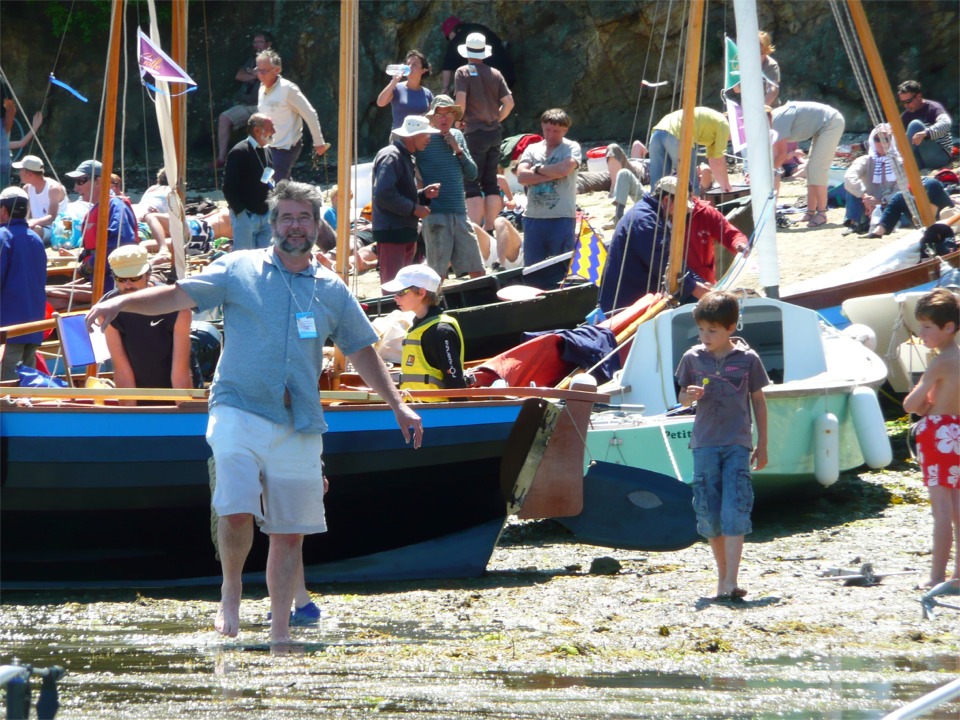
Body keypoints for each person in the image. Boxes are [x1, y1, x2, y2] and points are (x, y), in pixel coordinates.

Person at [85, 180, 424, 644]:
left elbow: (363, 349)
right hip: (237, 406)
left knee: (288, 533)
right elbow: (176, 295)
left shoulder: (331, 288)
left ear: (317, 223)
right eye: (286, 216)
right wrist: (122, 300)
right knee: (239, 507)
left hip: (299, 419)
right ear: (273, 223)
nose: (295, 226)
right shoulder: (237, 268)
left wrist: (398, 405)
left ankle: (280, 629)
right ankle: (230, 593)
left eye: (304, 217)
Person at [676, 290, 769, 601]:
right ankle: (721, 580)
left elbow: (758, 400)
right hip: (703, 444)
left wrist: (763, 443)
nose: (705, 336)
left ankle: (732, 579)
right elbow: (681, 398)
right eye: (702, 329)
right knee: (709, 514)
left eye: (712, 330)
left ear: (731, 328)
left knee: (735, 510)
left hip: (737, 443)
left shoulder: (748, 360)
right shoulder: (692, 358)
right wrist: (688, 396)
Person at [902, 288, 960, 589]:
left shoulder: (939, 363)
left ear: (947, 327)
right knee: (958, 511)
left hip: (939, 437)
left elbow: (912, 404)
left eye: (926, 327)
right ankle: (958, 575)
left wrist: (924, 403)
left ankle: (937, 576)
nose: (921, 333)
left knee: (941, 512)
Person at [598, 179, 712, 314]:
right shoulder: (645, 221)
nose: (682, 212)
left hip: (636, 298)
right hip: (623, 306)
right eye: (680, 206)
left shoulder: (652, 215)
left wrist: (701, 282)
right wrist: (695, 287)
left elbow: (672, 260)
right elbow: (664, 263)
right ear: (666, 200)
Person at [101, 245, 197, 404]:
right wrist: (130, 416)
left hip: (177, 391)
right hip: (138, 395)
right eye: (121, 279)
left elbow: (180, 374)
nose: (128, 285)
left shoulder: (178, 306)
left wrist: (183, 412)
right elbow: (122, 370)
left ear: (148, 274)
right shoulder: (106, 309)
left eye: (135, 278)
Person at [415, 95, 483, 281]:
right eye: (439, 114)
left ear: (454, 116)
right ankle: (435, 308)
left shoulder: (458, 136)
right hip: (435, 213)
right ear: (432, 117)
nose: (444, 118)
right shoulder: (423, 138)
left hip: (460, 212)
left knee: (477, 269)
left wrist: (457, 148)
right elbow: (411, 167)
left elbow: (472, 174)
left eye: (448, 113)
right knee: (437, 274)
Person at [844, 124, 955, 237]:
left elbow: (902, 190)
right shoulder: (864, 160)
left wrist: (880, 202)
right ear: (872, 141)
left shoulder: (900, 163)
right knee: (851, 186)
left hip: (887, 206)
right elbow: (849, 177)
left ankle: (877, 224)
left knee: (917, 194)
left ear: (891, 141)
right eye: (877, 139)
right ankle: (852, 223)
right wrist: (864, 196)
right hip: (865, 205)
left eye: (886, 139)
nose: (882, 143)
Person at [454, 32, 514, 232]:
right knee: (490, 182)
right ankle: (490, 229)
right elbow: (509, 103)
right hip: (494, 133)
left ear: (467, 51)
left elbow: (460, 102)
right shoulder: (495, 73)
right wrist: (496, 118)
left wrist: (457, 121)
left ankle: (475, 231)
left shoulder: (462, 72)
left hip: (474, 133)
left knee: (471, 184)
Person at [371, 114, 441, 285]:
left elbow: (392, 193)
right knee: (393, 286)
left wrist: (422, 195)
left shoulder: (402, 156)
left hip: (401, 232)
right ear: (412, 136)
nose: (428, 140)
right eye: (425, 135)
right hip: (393, 233)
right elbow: (383, 194)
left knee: (405, 286)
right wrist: (414, 208)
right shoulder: (392, 156)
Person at [382, 263, 466, 399]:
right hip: (415, 407)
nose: (395, 297)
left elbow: (455, 381)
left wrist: (459, 414)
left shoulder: (441, 331)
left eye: (400, 292)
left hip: (436, 410)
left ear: (421, 292)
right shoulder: (417, 326)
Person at [515, 108, 582, 265]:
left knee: (563, 265)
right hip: (534, 218)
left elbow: (565, 169)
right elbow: (522, 176)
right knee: (533, 266)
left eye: (556, 131)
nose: (551, 135)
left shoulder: (571, 148)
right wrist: (553, 173)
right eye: (547, 130)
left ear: (565, 130)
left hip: (562, 217)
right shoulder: (532, 149)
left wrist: (538, 169)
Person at [658, 175, 749, 284]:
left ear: (691, 196)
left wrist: (739, 244)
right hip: (668, 282)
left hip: (703, 283)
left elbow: (729, 233)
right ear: (665, 200)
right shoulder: (654, 217)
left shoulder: (705, 212)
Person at [256, 49, 327, 182]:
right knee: (270, 182)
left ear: (277, 70)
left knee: (277, 182)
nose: (260, 74)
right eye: (258, 70)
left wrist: (318, 142)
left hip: (286, 146)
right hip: (268, 145)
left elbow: (310, 114)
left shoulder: (288, 89)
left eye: (264, 71)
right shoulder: (261, 88)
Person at [68, 160, 138, 295]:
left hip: (114, 284)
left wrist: (91, 264)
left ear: (99, 181)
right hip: (100, 281)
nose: (76, 188)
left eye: (81, 181)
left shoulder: (115, 205)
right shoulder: (97, 208)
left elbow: (121, 242)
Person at [771, 101, 845, 228]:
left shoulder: (776, 122)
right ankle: (810, 212)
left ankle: (822, 213)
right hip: (821, 126)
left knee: (817, 169)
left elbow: (781, 154)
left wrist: (770, 173)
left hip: (831, 122)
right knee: (810, 169)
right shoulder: (772, 121)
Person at [0, 186, 46, 381]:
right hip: (33, 326)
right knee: (28, 386)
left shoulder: (3, 236)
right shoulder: (36, 239)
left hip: (7, 329)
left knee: (6, 388)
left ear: (3, 210)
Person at [215, 31, 274, 168]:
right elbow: (239, 75)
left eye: (260, 42)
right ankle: (221, 158)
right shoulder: (252, 59)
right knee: (224, 118)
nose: (256, 45)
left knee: (260, 124)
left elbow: (266, 75)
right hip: (246, 104)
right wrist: (254, 74)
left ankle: (264, 160)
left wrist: (254, 73)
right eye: (255, 42)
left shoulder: (272, 59)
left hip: (263, 106)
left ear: (268, 44)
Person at [648, 107, 734, 195]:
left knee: (657, 186)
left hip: (657, 133)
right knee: (690, 186)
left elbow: (714, 160)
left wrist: (723, 185)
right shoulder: (724, 124)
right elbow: (719, 161)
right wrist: (727, 186)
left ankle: (653, 207)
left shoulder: (714, 123)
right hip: (678, 135)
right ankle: (693, 208)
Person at [223, 113, 276, 250]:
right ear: (257, 130)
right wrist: (241, 214)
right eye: (270, 128)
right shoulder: (239, 151)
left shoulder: (267, 151)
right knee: (245, 261)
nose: (274, 132)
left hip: (265, 216)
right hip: (246, 216)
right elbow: (228, 188)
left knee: (265, 259)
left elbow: (269, 179)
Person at [439, 17, 515, 95]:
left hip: (486, 83)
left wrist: (445, 88)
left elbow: (448, 66)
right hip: (508, 73)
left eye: (448, 37)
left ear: (452, 32)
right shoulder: (480, 28)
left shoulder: (457, 39)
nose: (450, 40)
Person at [898, 80, 954, 171]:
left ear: (918, 96)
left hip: (939, 155)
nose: (906, 105)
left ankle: (898, 164)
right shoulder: (906, 115)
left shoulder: (933, 108)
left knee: (915, 125)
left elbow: (946, 123)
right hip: (921, 159)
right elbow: (892, 132)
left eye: (908, 101)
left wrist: (925, 133)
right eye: (903, 102)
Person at [13, 153, 65, 244]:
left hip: (57, 229)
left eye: (21, 170)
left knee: (35, 231)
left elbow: (52, 217)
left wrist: (33, 222)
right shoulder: (27, 188)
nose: (19, 173)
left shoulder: (54, 188)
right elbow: (25, 214)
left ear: (30, 174)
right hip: (37, 225)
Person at [376, 50, 434, 130]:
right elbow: (380, 103)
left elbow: (433, 117)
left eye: (414, 64)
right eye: (408, 64)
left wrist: (426, 116)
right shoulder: (396, 87)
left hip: (420, 138)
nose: (410, 67)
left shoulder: (427, 93)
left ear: (423, 70)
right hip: (399, 138)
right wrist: (393, 82)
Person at [131, 168, 173, 255]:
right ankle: (163, 248)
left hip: (135, 211)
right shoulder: (171, 191)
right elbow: (173, 216)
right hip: (148, 217)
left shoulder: (152, 188)